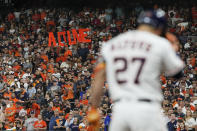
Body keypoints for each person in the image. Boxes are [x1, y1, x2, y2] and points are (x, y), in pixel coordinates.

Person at [88, 9, 185, 131]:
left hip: (120, 112)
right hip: (146, 110)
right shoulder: (159, 43)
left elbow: (99, 77)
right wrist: (174, 49)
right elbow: (177, 74)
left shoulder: (111, 44)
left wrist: (93, 108)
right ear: (160, 28)